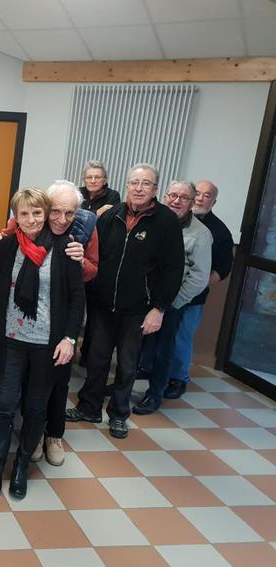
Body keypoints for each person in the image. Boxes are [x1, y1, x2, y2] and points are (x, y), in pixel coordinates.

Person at [0, 188, 84, 500]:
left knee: (36, 408)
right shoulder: (9, 245)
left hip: (47, 345)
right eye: (24, 214)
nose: (32, 219)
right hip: (12, 341)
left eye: (37, 213)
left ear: (46, 214)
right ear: (16, 217)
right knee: (4, 406)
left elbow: (77, 298)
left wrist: (69, 338)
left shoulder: (66, 248)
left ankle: (22, 468)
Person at [66, 163, 184, 439]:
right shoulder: (112, 215)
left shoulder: (166, 222)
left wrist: (159, 308)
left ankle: (119, 414)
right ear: (127, 185)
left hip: (138, 309)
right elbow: (94, 256)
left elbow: (173, 270)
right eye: (134, 182)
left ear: (155, 189)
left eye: (146, 183)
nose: (139, 188)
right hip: (103, 304)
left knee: (128, 365)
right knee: (96, 359)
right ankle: (89, 407)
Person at [1, 180, 98, 466]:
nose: (62, 219)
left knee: (59, 380)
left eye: (69, 213)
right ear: (45, 208)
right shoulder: (30, 221)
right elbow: (10, 237)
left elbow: (93, 270)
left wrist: (80, 261)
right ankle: (32, 435)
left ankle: (54, 435)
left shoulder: (85, 229)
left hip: (63, 317)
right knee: (33, 384)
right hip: (31, 322)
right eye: (55, 211)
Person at [134, 180, 212, 415]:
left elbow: (199, 278)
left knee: (162, 350)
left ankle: (155, 394)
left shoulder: (201, 234)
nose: (177, 201)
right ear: (164, 196)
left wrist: (170, 304)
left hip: (171, 304)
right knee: (133, 345)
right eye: (173, 196)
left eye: (184, 198)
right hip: (141, 298)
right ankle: (123, 386)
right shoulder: (152, 221)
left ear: (192, 202)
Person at [164, 180, 235, 399]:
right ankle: (151, 370)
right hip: (164, 293)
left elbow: (223, 268)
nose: (201, 199)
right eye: (198, 194)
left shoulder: (219, 231)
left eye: (208, 195)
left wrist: (198, 287)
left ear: (214, 202)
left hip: (192, 298)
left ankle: (178, 378)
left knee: (181, 338)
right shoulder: (172, 220)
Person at [77, 160, 120, 364]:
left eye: (97, 177)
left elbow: (108, 223)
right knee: (75, 308)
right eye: (89, 177)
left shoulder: (113, 196)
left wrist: (88, 217)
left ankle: (87, 354)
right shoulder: (76, 195)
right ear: (84, 179)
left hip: (98, 260)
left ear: (105, 180)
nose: (93, 180)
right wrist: (97, 214)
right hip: (76, 258)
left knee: (95, 314)